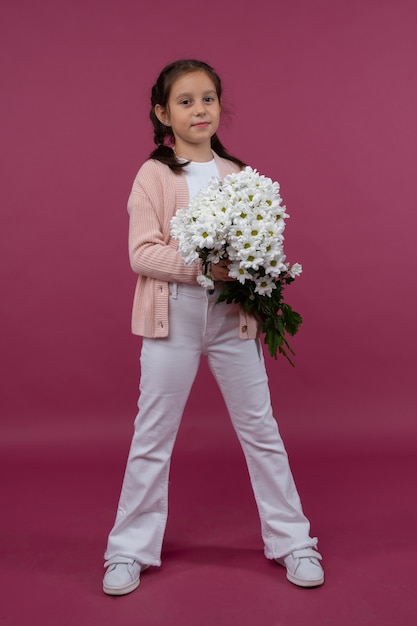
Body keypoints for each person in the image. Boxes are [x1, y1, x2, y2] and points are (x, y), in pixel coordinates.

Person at [103, 59, 324, 596]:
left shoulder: (239, 175)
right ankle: (127, 550)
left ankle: (294, 540)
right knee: (153, 434)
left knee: (261, 430)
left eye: (208, 98)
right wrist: (201, 267)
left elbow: (260, 244)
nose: (199, 109)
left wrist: (255, 271)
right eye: (185, 101)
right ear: (163, 113)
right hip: (172, 316)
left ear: (220, 106)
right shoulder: (154, 174)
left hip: (231, 319)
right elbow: (142, 253)